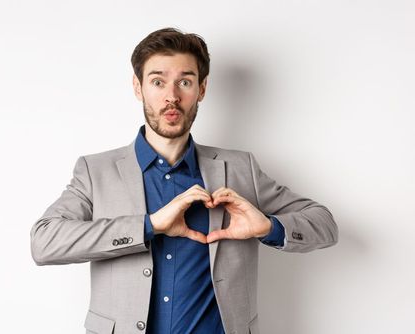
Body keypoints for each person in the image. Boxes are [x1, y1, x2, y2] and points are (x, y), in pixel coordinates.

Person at [29, 27, 338, 334]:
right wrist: (148, 226)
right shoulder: (96, 171)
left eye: (185, 82)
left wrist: (269, 227)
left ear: (201, 89)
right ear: (138, 87)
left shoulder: (240, 168)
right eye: (158, 82)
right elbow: (44, 242)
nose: (171, 97)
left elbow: (324, 223)